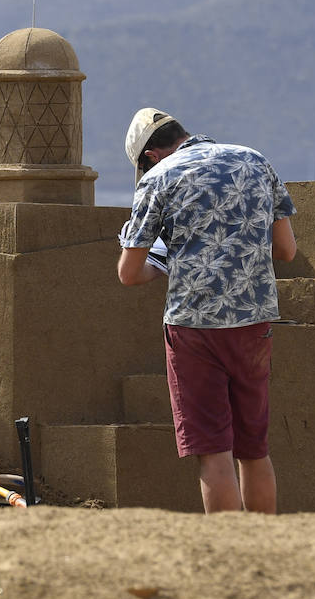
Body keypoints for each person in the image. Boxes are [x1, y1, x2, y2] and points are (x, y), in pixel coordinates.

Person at [117, 108, 297, 514]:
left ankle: (231, 557)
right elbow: (286, 250)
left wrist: (147, 250)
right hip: (254, 322)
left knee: (214, 453)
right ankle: (263, 551)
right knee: (254, 450)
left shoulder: (158, 179)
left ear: (149, 155)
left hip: (193, 329)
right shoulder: (255, 160)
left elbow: (130, 274)